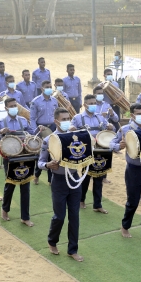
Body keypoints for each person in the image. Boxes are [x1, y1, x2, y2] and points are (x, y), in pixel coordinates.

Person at [109, 103, 141, 247]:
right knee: (133, 201)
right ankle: (125, 226)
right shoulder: (125, 129)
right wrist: (119, 146)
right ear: (132, 115)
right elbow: (112, 143)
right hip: (134, 170)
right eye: (138, 113)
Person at [39, 107, 84, 262]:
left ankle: (73, 249)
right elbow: (40, 162)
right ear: (56, 121)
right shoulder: (48, 140)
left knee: (74, 216)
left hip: (74, 179)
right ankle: (52, 241)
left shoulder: (75, 136)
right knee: (59, 216)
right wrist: (48, 165)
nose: (67, 122)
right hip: (58, 182)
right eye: (63, 119)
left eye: (68, 119)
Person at [0, 98, 36, 226]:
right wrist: (0, 133)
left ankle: (25, 217)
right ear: (6, 108)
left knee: (25, 187)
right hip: (10, 159)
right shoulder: (1, 123)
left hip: (25, 157)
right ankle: (5, 209)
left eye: (15, 105)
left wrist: (37, 130)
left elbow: (32, 136)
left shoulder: (23, 121)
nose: (14, 108)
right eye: (11, 106)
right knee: (10, 185)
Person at [71, 94, 114, 214]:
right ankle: (81, 200)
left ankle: (97, 204)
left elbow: (109, 130)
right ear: (85, 105)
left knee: (99, 177)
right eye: (91, 103)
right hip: (86, 151)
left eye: (94, 103)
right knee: (86, 176)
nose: (93, 105)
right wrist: (72, 129)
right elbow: (71, 131)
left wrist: (110, 127)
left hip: (100, 151)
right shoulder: (78, 117)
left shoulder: (100, 117)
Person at [30, 80, 59, 184]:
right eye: (47, 87)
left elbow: (57, 116)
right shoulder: (35, 101)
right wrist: (35, 131)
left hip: (52, 128)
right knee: (42, 153)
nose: (49, 88)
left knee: (52, 153)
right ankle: (37, 174)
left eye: (50, 86)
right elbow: (32, 118)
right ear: (42, 88)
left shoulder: (55, 101)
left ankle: (51, 180)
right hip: (41, 128)